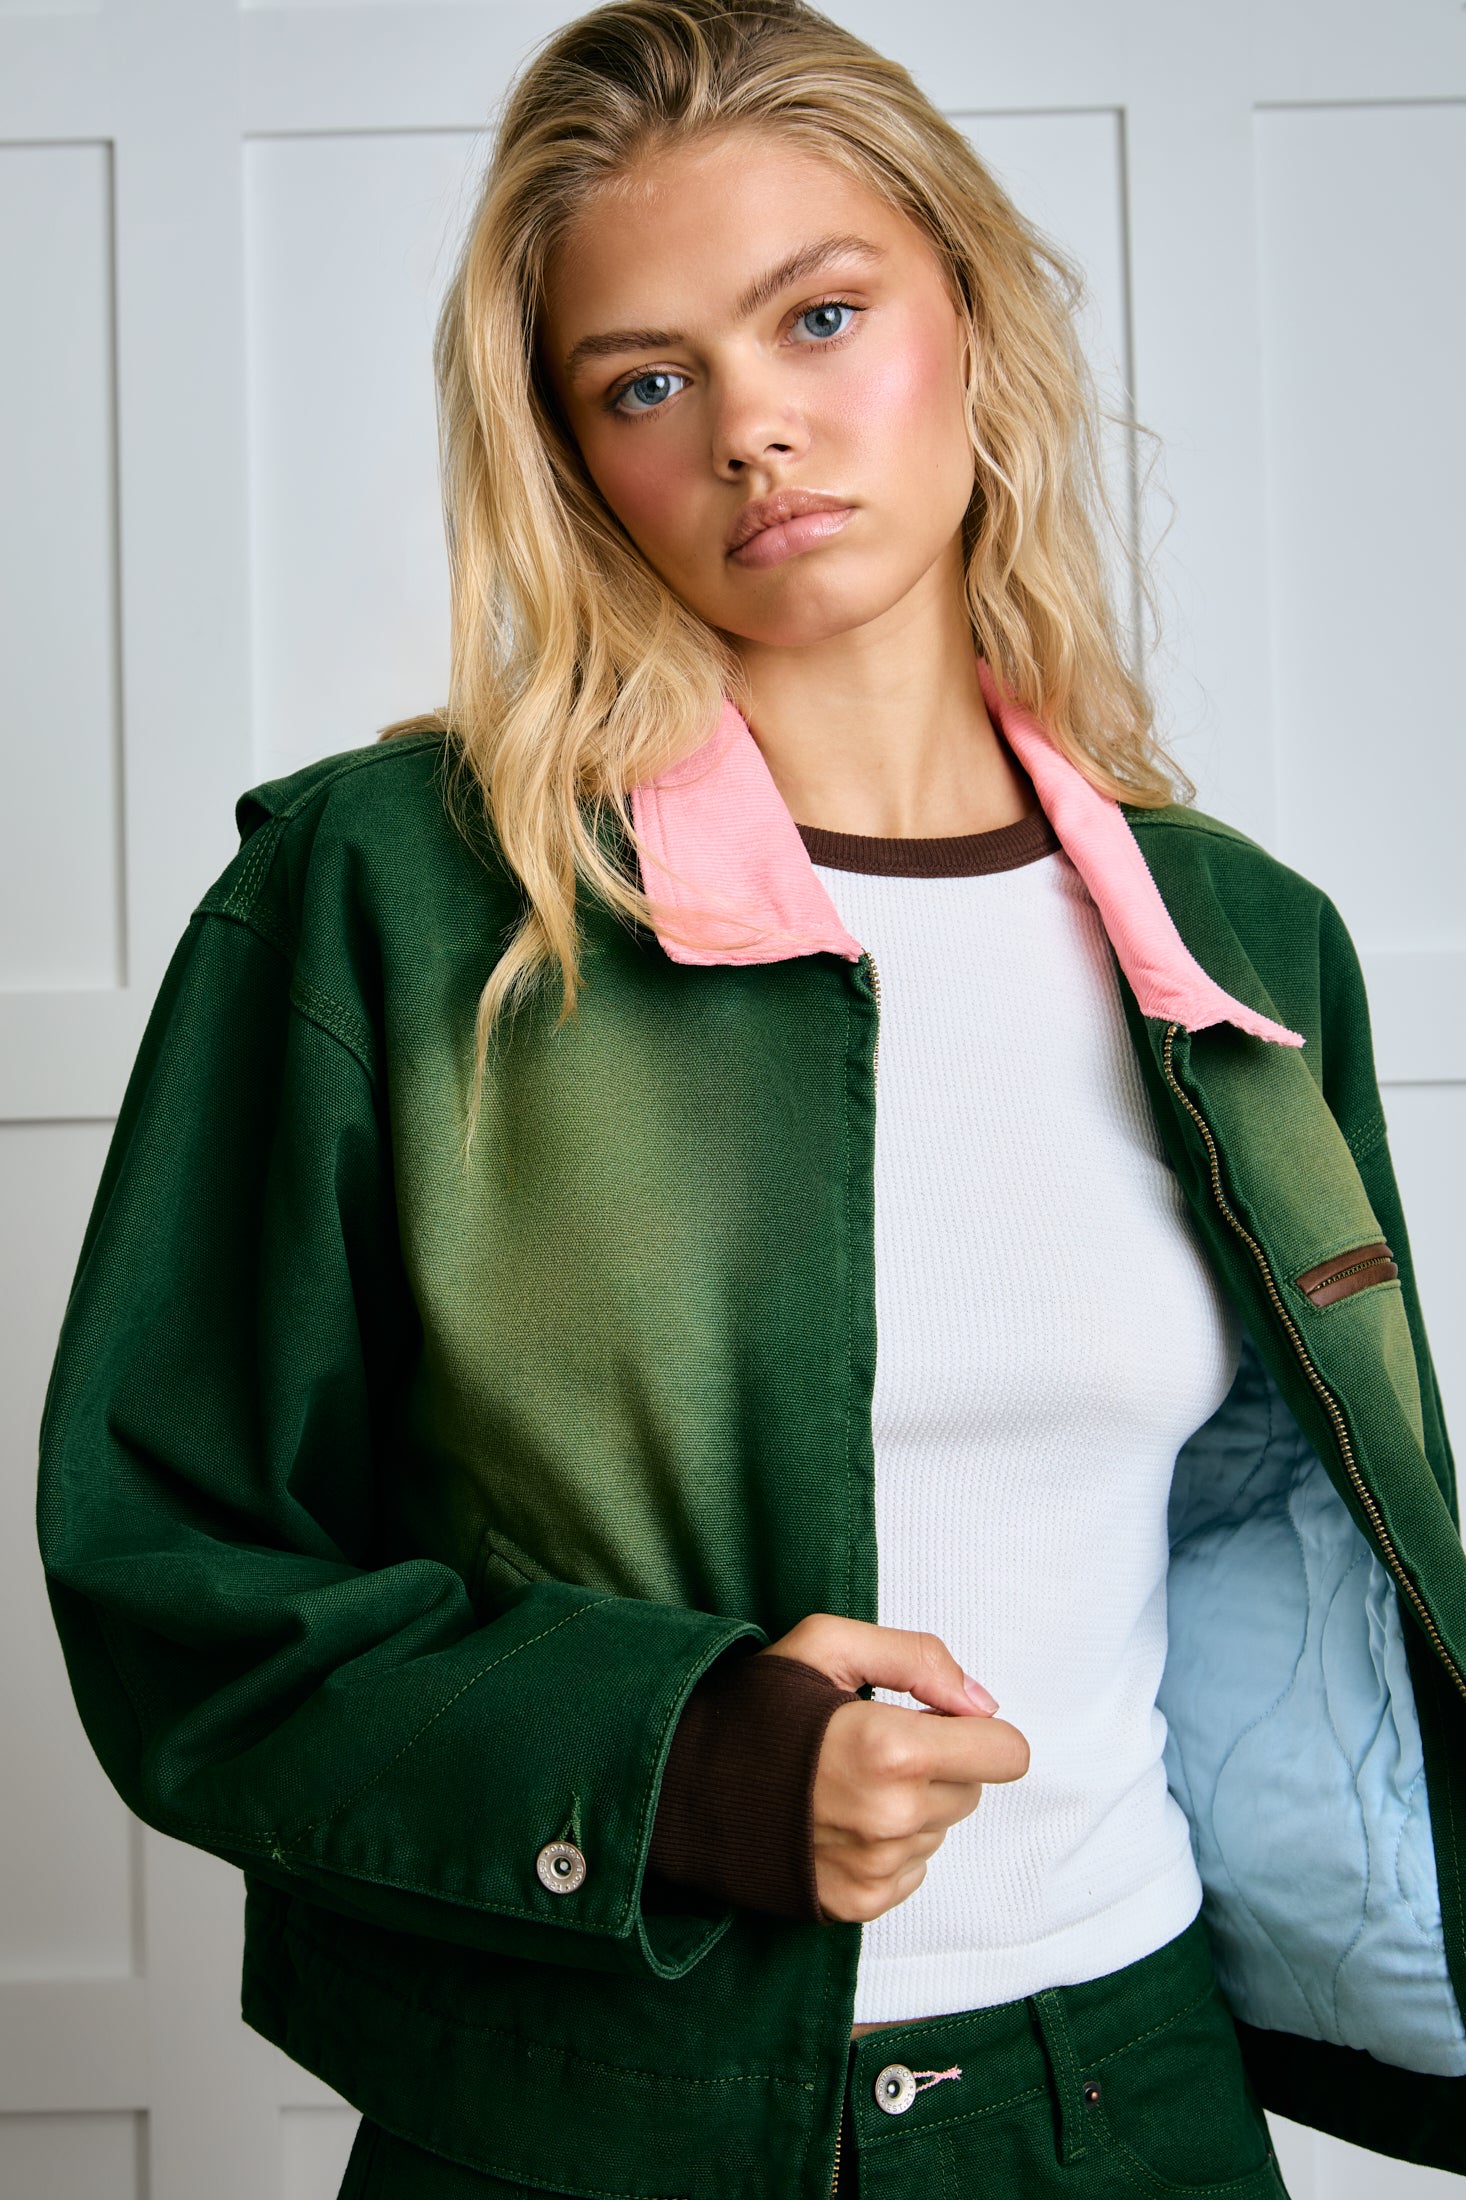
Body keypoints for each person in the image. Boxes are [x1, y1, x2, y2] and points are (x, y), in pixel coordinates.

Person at [35, 2, 1466, 2194]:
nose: (752, 431)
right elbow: (168, 1573)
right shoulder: (396, 899)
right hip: (599, 2130)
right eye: (645, 381)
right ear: (569, 454)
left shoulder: (1243, 945)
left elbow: (1306, 1580)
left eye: (818, 315)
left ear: (966, 318)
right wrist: (681, 1762)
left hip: (1136, 2101)